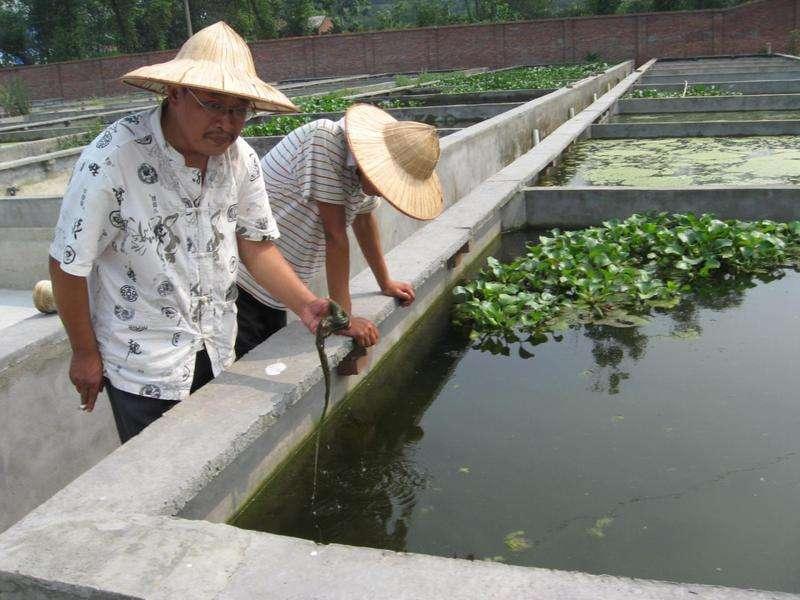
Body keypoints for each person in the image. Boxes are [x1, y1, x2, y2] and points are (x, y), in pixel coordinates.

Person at [49, 22, 332, 443]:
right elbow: (67, 263)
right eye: (213, 105)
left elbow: (256, 246)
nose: (227, 123)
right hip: (143, 362)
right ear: (176, 93)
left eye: (239, 110)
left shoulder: (240, 160)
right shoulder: (112, 159)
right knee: (159, 473)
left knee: (214, 452)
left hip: (217, 346)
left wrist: (306, 304)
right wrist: (85, 353)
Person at [235, 103, 444, 357]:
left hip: (279, 289)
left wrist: (385, 281)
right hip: (244, 282)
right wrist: (343, 320)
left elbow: (365, 222)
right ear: (376, 161)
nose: (383, 191)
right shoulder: (325, 140)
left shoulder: (360, 169)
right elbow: (335, 236)